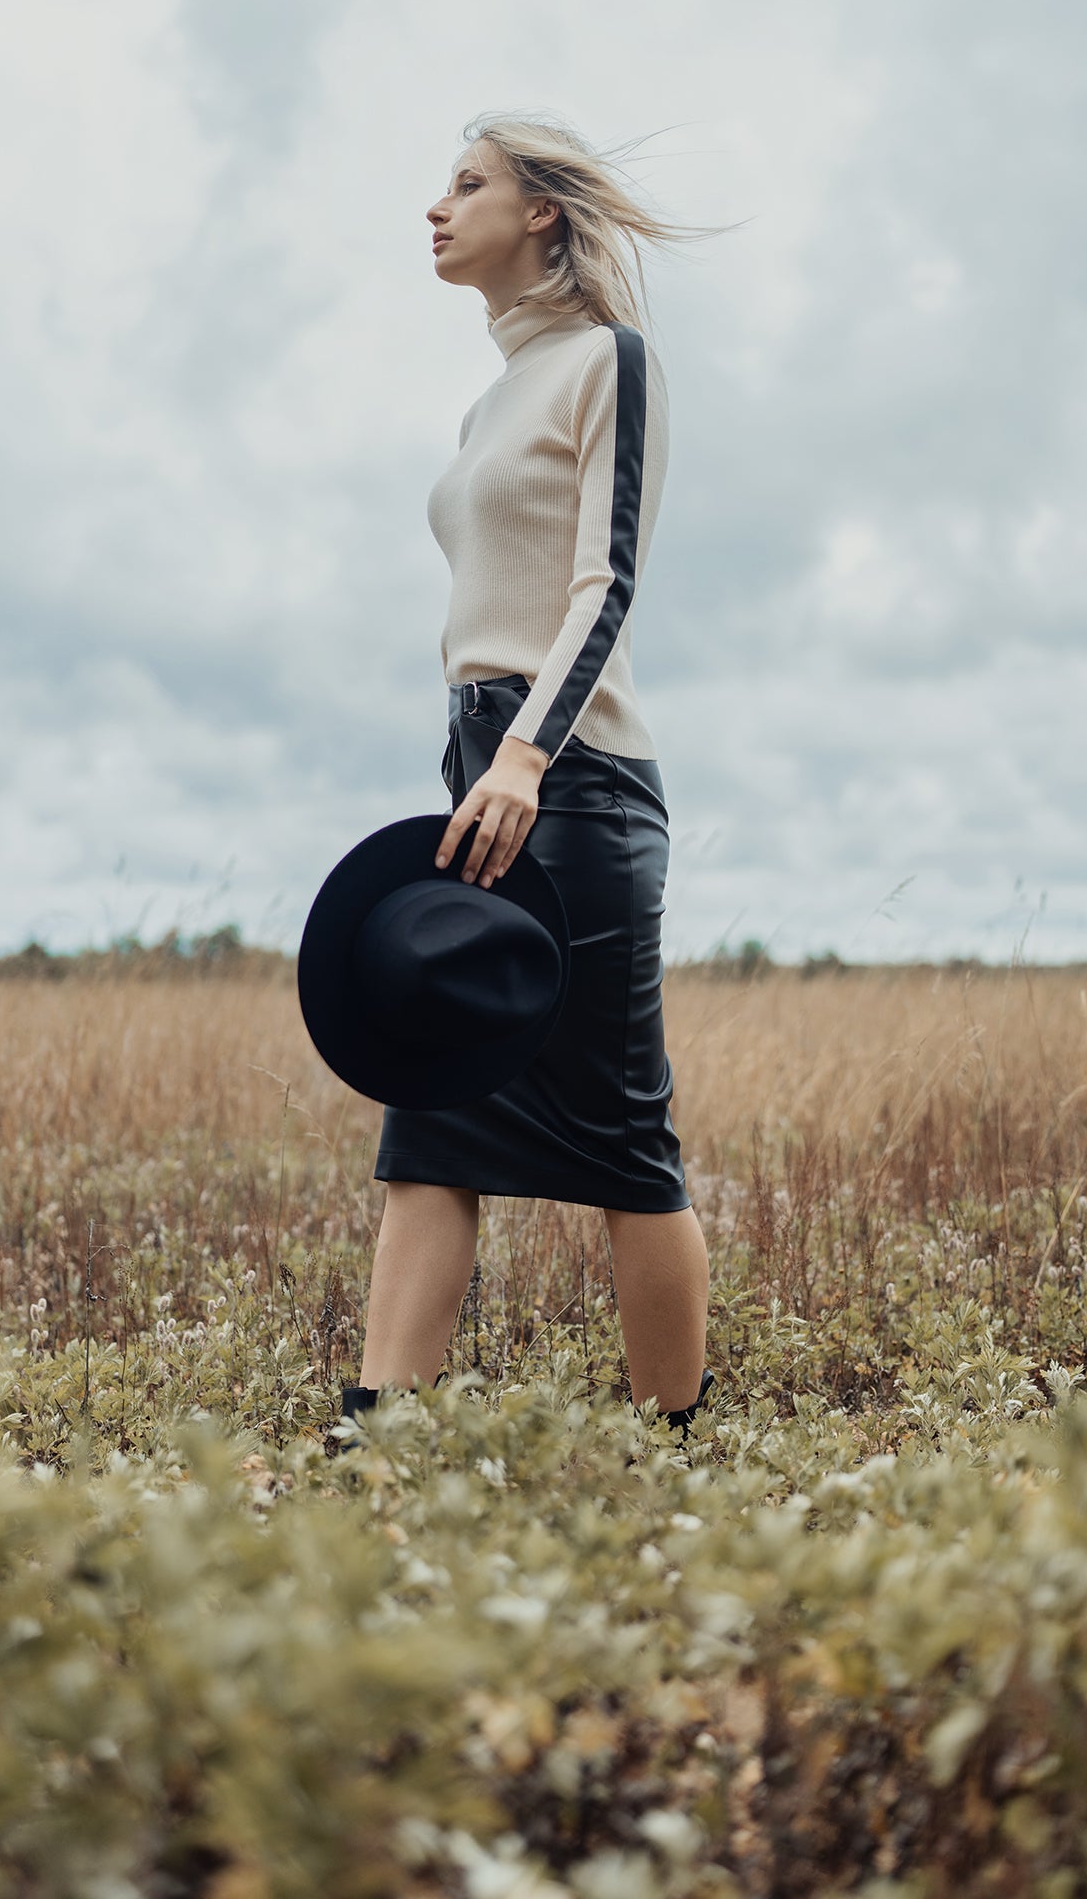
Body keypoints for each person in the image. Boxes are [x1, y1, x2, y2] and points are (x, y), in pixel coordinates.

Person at [346, 111, 723, 1436]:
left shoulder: (605, 363)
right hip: (483, 762)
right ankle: (377, 1440)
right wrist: (478, 757)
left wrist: (522, 755)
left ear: (542, 214)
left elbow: (604, 583)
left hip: (570, 777)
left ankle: (666, 1450)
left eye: (465, 185)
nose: (434, 209)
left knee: (620, 1134)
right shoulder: (489, 397)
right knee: (431, 1104)